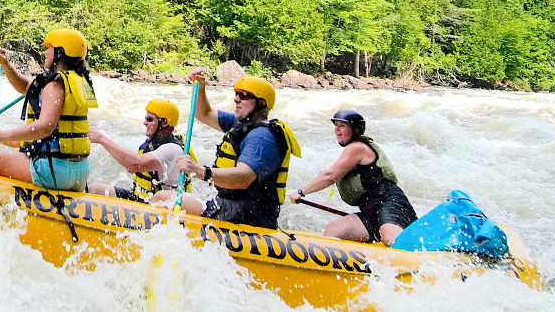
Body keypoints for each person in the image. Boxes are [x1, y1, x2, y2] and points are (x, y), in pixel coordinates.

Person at [176, 70, 299, 230]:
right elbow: (204, 113)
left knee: (164, 197)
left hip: (248, 215)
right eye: (236, 94)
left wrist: (200, 171)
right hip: (233, 206)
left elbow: (244, 177)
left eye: (244, 95)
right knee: (169, 197)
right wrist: (201, 86)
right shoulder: (241, 124)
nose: (236, 99)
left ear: (261, 103)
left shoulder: (262, 137)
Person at [0, 27, 96, 192]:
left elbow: (45, 127)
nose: (45, 52)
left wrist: (2, 134)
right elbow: (27, 87)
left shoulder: (55, 86)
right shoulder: (77, 82)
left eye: (49, 48)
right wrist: (6, 64)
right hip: (80, 173)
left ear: (60, 52)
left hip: (55, 172)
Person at [292, 107, 418, 244]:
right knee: (333, 229)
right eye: (336, 125)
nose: (337, 129)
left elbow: (330, 175)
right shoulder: (353, 148)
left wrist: (301, 192)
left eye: (342, 126)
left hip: (390, 202)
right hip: (370, 210)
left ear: (355, 129)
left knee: (390, 239)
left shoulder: (357, 147)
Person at [88, 98, 186, 201]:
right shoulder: (154, 143)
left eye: (149, 119)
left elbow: (134, 163)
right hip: (142, 198)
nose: (145, 122)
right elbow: (134, 165)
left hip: (159, 205)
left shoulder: (172, 149)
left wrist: (101, 139)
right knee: (94, 189)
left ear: (164, 122)